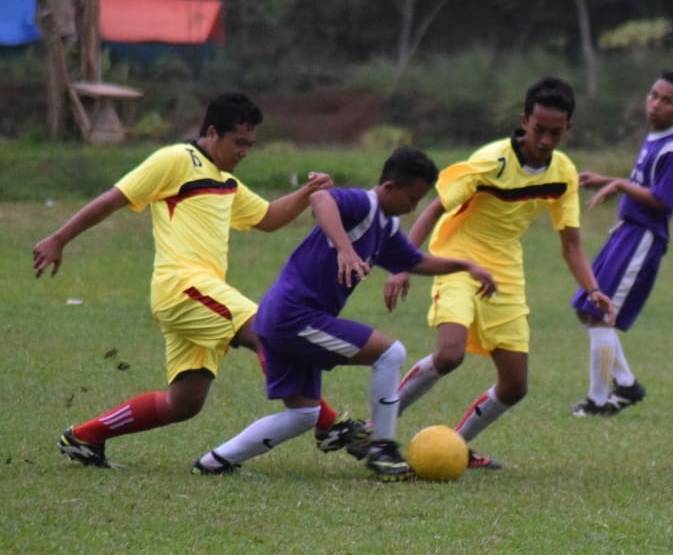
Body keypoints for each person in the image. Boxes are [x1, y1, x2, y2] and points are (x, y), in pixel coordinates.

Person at [35, 92, 361, 468]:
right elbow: (115, 197)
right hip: (184, 287)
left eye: (251, 145)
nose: (244, 152)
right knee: (269, 330)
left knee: (184, 403)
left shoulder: (225, 182)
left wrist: (307, 194)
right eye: (239, 142)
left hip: (198, 295)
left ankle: (85, 436)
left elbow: (268, 218)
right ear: (211, 132)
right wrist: (59, 238)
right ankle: (328, 423)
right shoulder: (176, 160)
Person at [192, 147, 497, 481]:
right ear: (390, 187)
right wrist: (345, 248)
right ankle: (381, 448)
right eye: (412, 197)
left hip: (279, 317)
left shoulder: (386, 225)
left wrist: (465, 265)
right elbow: (322, 200)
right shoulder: (364, 204)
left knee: (304, 414)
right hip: (293, 317)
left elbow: (414, 261)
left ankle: (214, 462)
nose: (415, 207)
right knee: (390, 353)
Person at [383, 76, 615, 469]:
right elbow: (434, 208)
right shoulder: (491, 161)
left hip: (504, 271)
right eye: (539, 129)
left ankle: (455, 447)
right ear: (524, 120)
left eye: (555, 133)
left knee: (515, 385)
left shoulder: (563, 174)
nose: (545, 140)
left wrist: (593, 289)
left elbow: (571, 245)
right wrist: (404, 263)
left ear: (568, 129)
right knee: (450, 353)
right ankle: (378, 427)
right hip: (457, 258)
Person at [568, 70, 673, 417]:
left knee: (601, 314)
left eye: (667, 101)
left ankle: (596, 401)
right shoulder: (654, 138)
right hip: (626, 233)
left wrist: (620, 186)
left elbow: (662, 199)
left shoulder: (672, 149)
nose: (655, 104)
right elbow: (643, 183)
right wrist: (607, 180)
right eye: (653, 95)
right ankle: (625, 384)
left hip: (642, 238)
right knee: (587, 306)